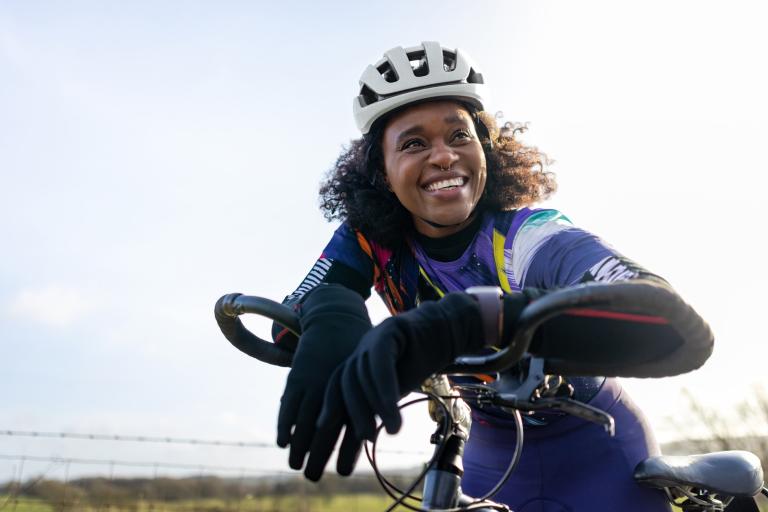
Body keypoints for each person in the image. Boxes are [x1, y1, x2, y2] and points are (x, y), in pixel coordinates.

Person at [272, 42, 713, 511]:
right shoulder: (372, 242)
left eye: (459, 136)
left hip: (599, 451)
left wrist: (469, 319)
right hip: (489, 458)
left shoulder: (528, 237)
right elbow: (288, 321)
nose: (443, 156)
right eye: (414, 143)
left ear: (485, 149)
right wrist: (332, 311)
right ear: (382, 172)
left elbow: (674, 329)